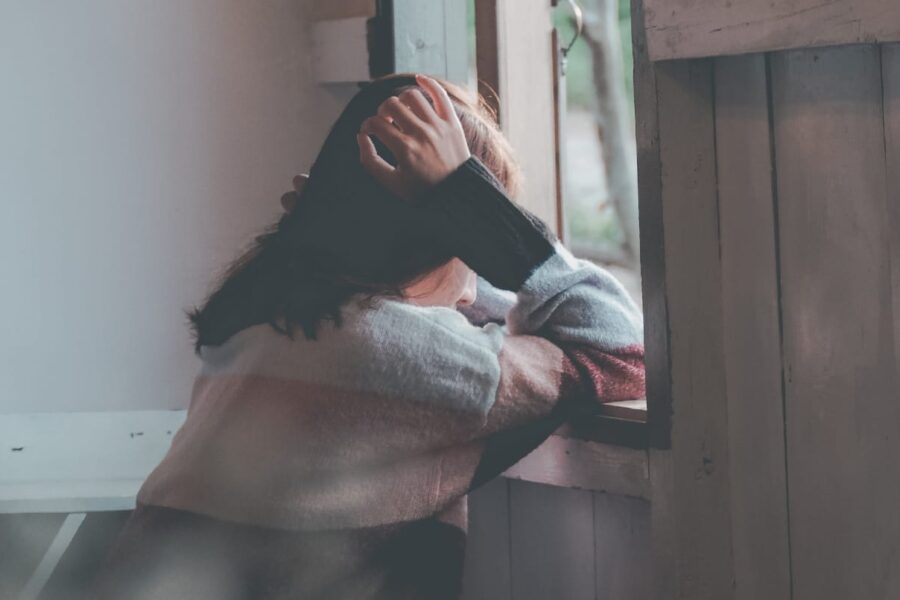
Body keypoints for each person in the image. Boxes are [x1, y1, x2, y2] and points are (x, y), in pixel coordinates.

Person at [90, 73, 645, 600]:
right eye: (471, 251)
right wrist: (477, 208)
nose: (476, 285)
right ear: (451, 239)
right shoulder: (408, 357)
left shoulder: (263, 319)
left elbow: (464, 306)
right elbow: (621, 349)